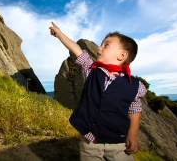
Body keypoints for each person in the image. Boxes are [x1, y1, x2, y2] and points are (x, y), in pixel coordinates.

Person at [49, 22, 147, 161]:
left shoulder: (135, 86)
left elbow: (135, 109)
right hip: (90, 140)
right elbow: (77, 50)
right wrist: (59, 34)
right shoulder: (91, 70)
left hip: (118, 143)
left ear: (122, 55)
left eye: (106, 45)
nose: (99, 49)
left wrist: (132, 134)